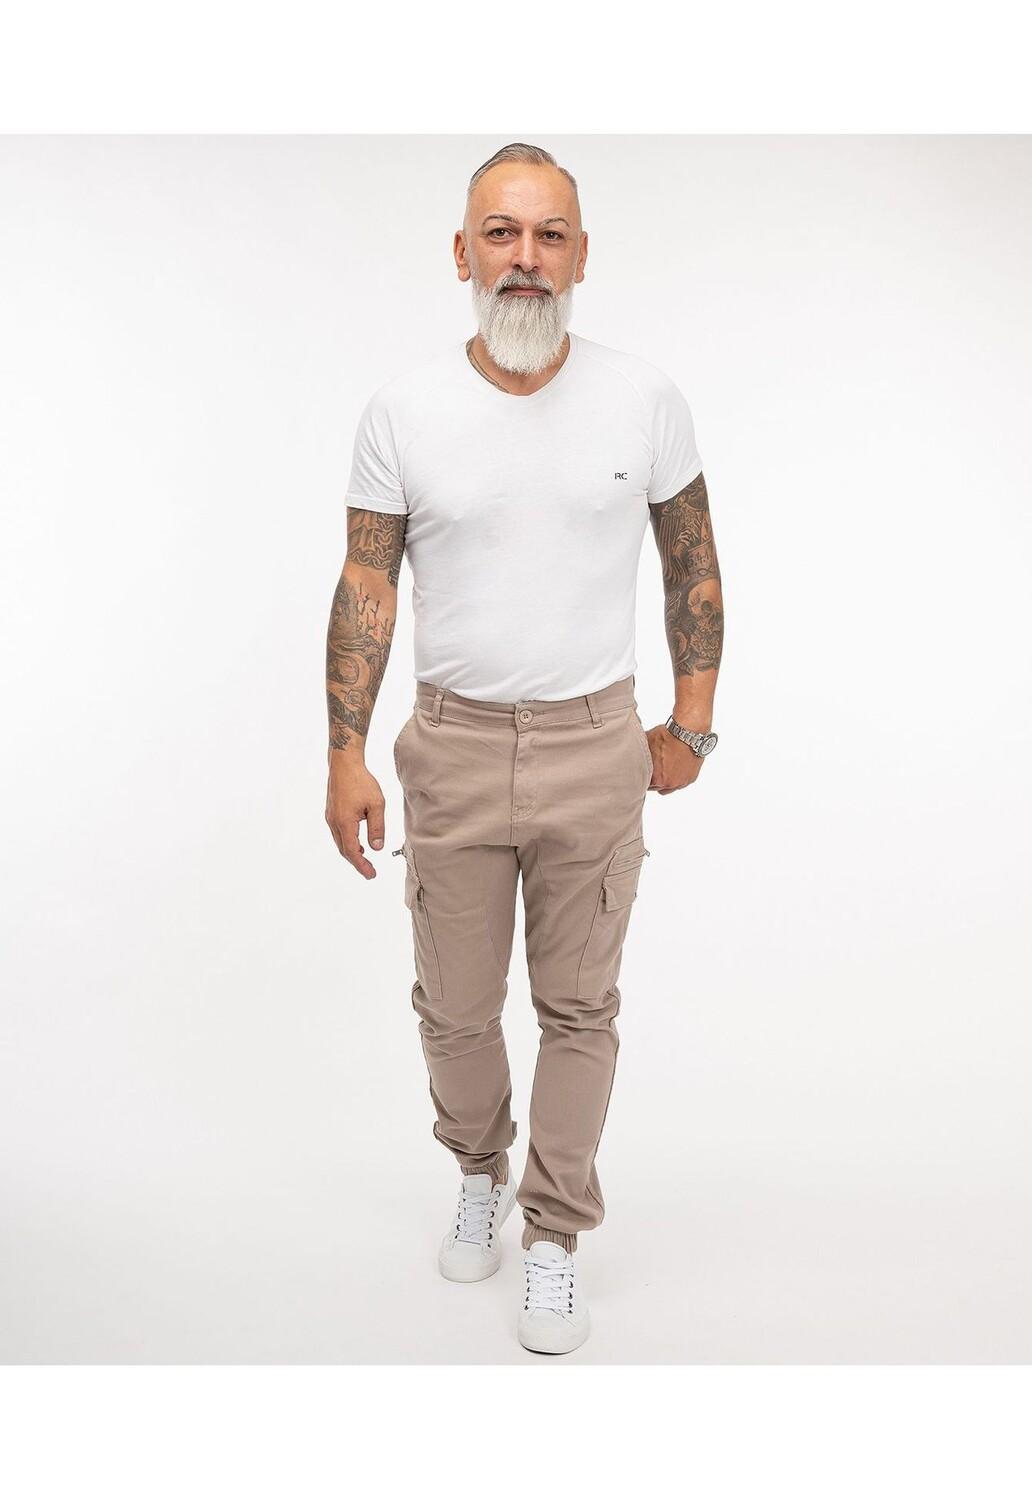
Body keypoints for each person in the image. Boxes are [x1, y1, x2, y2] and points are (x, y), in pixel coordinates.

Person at [325, 142, 724, 1355]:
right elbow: (366, 584)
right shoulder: (403, 410)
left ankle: (553, 1234)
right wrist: (345, 751)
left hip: (594, 744)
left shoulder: (643, 399)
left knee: (578, 1008)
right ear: (462, 252)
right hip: (449, 744)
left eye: (549, 235)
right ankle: (478, 1168)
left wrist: (690, 721)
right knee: (452, 1009)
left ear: (582, 254)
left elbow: (692, 562)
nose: (525, 258)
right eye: (500, 233)